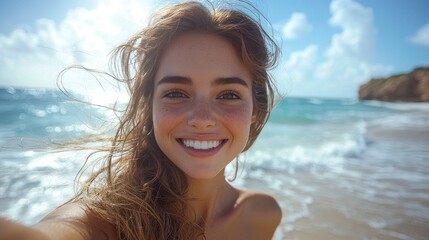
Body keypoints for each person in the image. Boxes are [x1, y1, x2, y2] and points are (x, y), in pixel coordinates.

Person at [0, 1, 282, 239]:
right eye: (176, 93)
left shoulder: (261, 216)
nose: (202, 119)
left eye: (229, 95)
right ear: (149, 106)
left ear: (255, 109)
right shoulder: (108, 222)